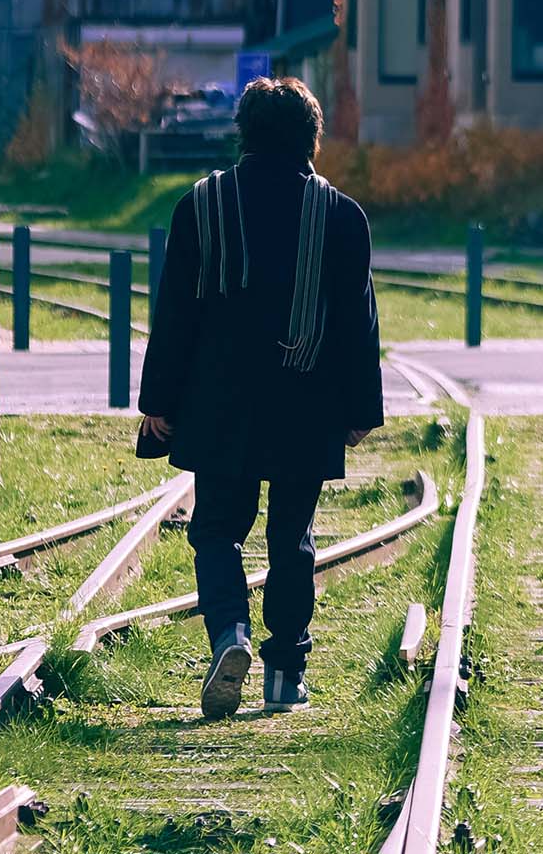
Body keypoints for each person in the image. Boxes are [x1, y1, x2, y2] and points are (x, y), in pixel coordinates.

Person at [138, 77, 383, 720]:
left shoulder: (201, 205)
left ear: (241, 133)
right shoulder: (342, 215)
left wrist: (158, 399)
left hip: (218, 404)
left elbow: (175, 315)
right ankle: (285, 673)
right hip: (306, 403)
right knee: (291, 535)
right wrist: (361, 411)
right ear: (313, 140)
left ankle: (230, 636)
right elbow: (359, 324)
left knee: (217, 529)